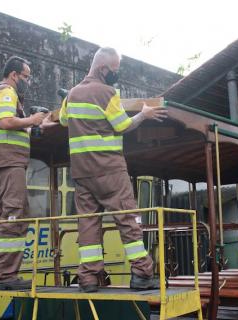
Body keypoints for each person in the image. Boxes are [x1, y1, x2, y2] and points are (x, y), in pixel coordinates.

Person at [59, 47, 168, 292]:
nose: (116, 74)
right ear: (102, 68)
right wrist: (143, 114)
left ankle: (88, 277)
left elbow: (64, 120)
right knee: (127, 218)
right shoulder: (108, 92)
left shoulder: (72, 95)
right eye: (115, 70)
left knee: (87, 225)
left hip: (82, 173)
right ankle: (141, 273)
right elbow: (122, 126)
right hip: (109, 170)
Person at [0, 56, 47, 290]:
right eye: (26, 77)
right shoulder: (6, 92)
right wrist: (31, 119)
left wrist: (35, 124)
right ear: (14, 75)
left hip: (1, 162)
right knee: (15, 216)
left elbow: (14, 125)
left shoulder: (4, 94)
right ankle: (5, 276)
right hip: (8, 162)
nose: (28, 81)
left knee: (3, 219)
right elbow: (7, 122)